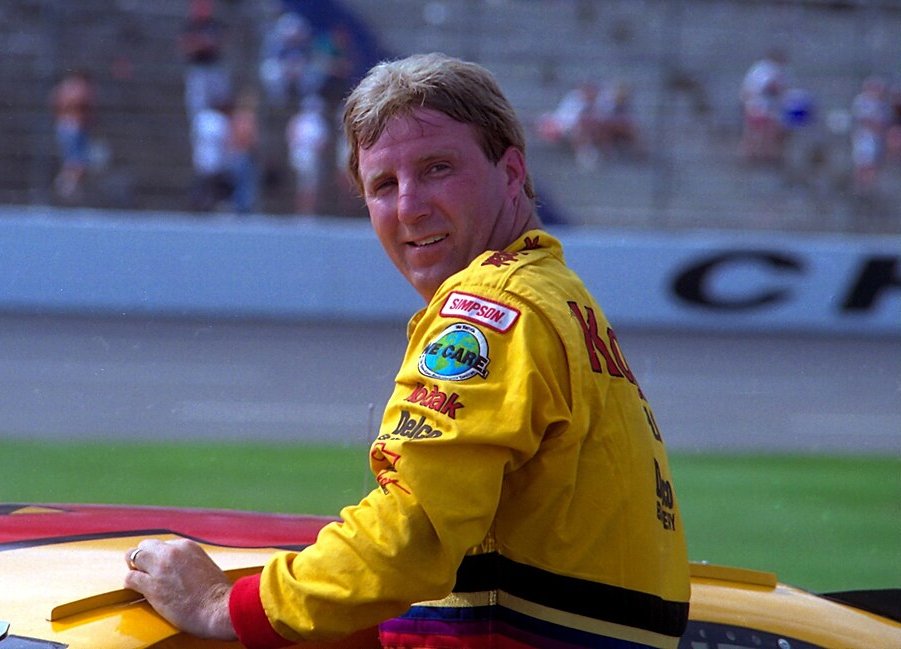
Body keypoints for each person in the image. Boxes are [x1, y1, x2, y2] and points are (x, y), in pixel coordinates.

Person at [124, 52, 691, 648]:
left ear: (513, 172)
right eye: (384, 185)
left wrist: (224, 605)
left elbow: (414, 524)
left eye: (438, 168)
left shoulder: (491, 308)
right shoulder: (557, 296)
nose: (410, 206)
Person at [50, 69, 96, 201]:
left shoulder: (67, 88)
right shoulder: (76, 89)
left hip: (74, 127)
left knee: (76, 163)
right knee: (76, 163)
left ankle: (69, 190)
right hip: (72, 127)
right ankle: (65, 191)